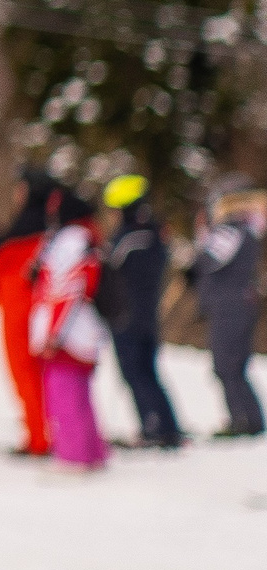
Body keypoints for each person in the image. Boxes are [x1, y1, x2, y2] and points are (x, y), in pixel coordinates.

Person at [0, 167, 60, 456]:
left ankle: (39, 438)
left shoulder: (30, 222)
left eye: (22, 186)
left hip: (19, 306)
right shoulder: (47, 224)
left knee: (24, 371)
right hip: (29, 307)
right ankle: (45, 433)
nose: (17, 193)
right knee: (36, 373)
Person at [96, 173, 181, 449]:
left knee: (135, 373)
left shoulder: (126, 237)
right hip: (149, 313)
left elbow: (105, 266)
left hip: (126, 315)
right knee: (150, 371)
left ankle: (154, 428)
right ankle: (167, 427)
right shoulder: (155, 233)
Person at [29, 185, 107, 469]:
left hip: (68, 334)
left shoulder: (71, 240)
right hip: (80, 330)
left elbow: (68, 287)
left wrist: (53, 333)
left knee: (64, 393)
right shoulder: (84, 237)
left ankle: (75, 456)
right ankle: (92, 451)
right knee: (79, 394)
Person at [187, 176, 264, 439]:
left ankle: (244, 421)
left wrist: (202, 237)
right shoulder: (246, 229)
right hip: (237, 303)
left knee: (226, 365)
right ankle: (249, 419)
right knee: (234, 366)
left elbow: (208, 260)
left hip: (230, 305)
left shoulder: (230, 230)